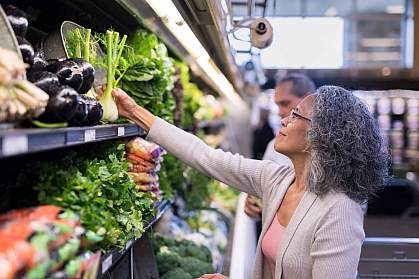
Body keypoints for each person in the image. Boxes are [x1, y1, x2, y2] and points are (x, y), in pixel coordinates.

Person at [105, 85, 388, 279]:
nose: (284, 119)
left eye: (295, 114)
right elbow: (206, 157)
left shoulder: (339, 209)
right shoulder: (278, 180)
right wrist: (134, 112)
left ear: (322, 136)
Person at [245, 73, 316, 219]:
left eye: (285, 103)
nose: (280, 113)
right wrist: (254, 203)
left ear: (309, 100)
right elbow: (261, 187)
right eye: (277, 105)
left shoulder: (334, 150)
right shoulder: (274, 145)